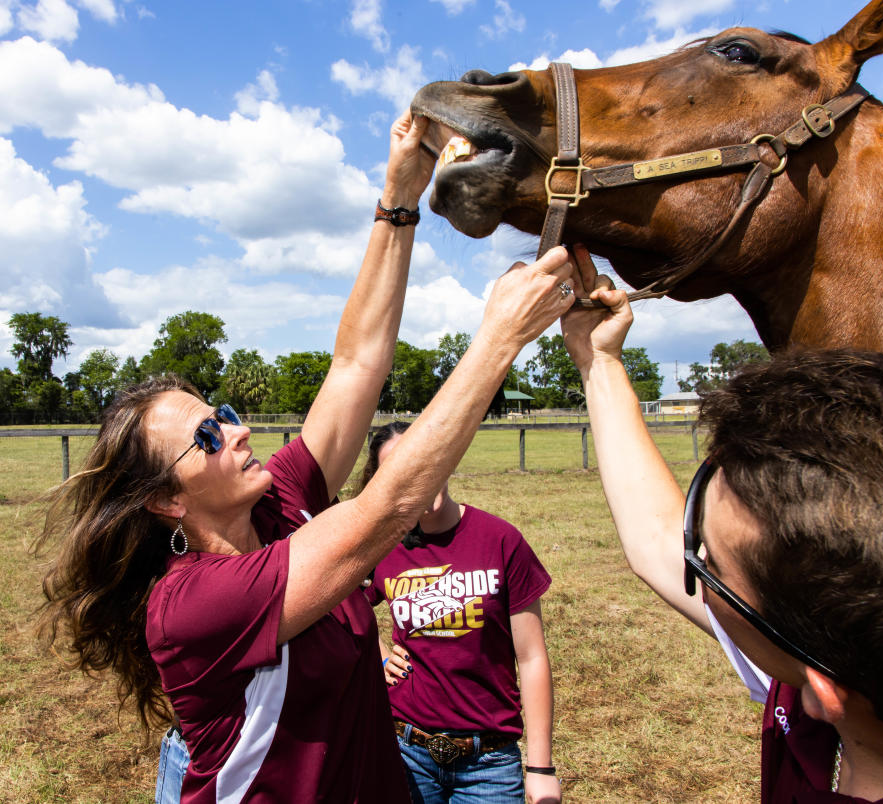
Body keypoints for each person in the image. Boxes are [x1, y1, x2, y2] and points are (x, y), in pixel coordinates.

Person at [34, 104, 578, 803]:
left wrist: (399, 196)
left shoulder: (276, 502)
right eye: (205, 438)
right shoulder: (190, 604)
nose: (234, 431)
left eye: (223, 415)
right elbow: (388, 508)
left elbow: (355, 366)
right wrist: (497, 341)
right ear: (167, 501)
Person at [560, 246, 883, 802]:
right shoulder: (868, 673)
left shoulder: (821, 691)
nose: (688, 551)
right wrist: (598, 359)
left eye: (709, 563)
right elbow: (655, 538)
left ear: (823, 692)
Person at [358, 421, 562, 804]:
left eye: (423, 461)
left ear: (445, 461)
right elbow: (343, 603)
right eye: (399, 469)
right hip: (405, 751)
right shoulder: (382, 546)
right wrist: (378, 650)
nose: (417, 477)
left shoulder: (501, 540)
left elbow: (532, 658)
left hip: (489, 762)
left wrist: (540, 767)